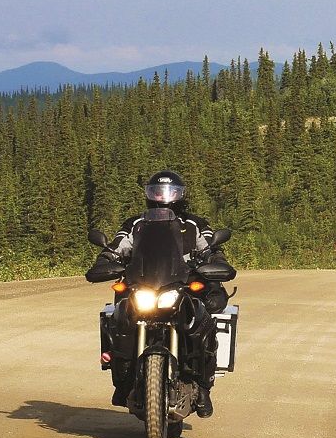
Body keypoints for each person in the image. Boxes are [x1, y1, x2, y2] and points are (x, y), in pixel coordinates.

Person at [87, 170, 231, 415]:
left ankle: (204, 386)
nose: (163, 196)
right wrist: (106, 259)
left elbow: (210, 246)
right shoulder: (136, 224)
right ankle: (122, 381)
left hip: (182, 286)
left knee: (204, 318)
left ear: (181, 195)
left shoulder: (194, 224)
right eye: (157, 191)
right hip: (145, 284)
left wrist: (214, 258)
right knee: (119, 316)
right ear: (148, 194)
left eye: (170, 192)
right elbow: (118, 245)